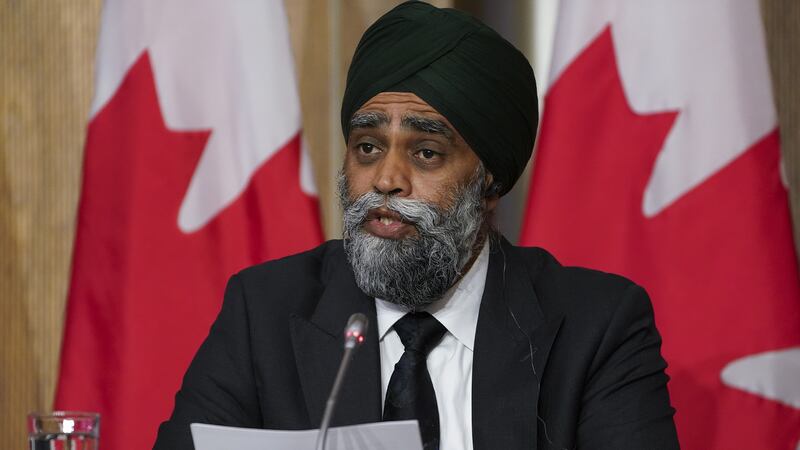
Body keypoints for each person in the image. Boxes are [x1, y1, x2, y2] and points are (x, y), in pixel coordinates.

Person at [154, 2, 679, 449]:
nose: (386, 180)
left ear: (490, 180)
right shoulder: (264, 310)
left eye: (426, 153)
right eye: (367, 148)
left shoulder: (596, 326)